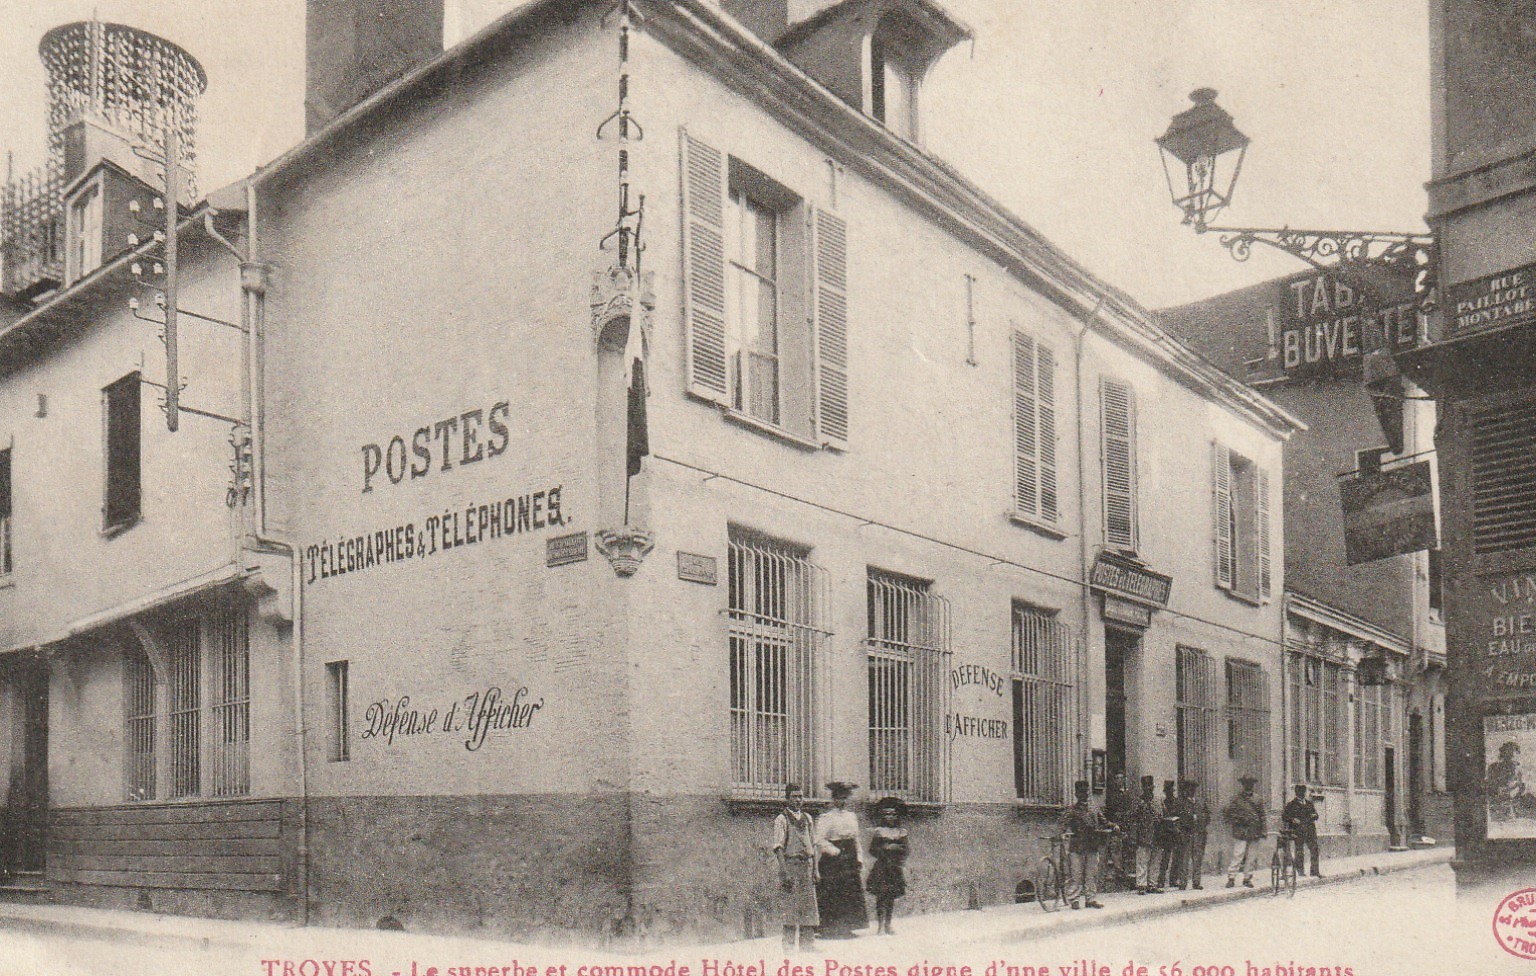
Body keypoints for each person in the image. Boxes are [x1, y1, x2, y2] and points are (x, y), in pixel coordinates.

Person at [815, 781, 868, 938]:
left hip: (849, 857)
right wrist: (835, 852)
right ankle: (829, 929)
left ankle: (847, 927)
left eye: (845, 798)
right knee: (832, 892)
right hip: (832, 860)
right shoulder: (826, 818)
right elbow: (819, 839)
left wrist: (859, 857)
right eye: (839, 798)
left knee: (849, 892)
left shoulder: (852, 817)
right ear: (833, 799)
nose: (842, 801)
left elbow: (856, 839)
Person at [770, 783, 819, 952]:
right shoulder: (781, 819)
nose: (798, 800)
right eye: (794, 797)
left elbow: (813, 845)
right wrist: (785, 872)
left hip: (807, 866)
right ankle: (789, 946)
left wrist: (815, 869)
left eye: (800, 797)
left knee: (808, 906)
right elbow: (778, 848)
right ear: (787, 799)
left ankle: (807, 945)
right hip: (791, 866)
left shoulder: (808, 818)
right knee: (790, 907)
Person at [1059, 779, 1113, 909]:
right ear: (1076, 794)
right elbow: (1062, 825)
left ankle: (1090, 899)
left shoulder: (1094, 808)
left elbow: (1104, 821)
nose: (1084, 794)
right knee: (1076, 874)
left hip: (1092, 845)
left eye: (1086, 792)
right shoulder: (1071, 810)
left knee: (1091, 874)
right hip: (1077, 846)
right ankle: (1074, 899)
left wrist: (1113, 826)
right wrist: (1061, 834)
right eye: (1081, 792)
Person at [865, 796, 908, 935]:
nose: (890, 817)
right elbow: (872, 850)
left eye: (893, 814)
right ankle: (880, 926)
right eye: (887, 814)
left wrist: (896, 849)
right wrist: (885, 849)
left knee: (891, 897)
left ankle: (888, 925)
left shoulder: (901, 832)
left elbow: (906, 850)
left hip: (894, 868)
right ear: (883, 816)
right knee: (881, 896)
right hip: (882, 868)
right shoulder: (879, 832)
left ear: (897, 816)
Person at [1223, 775, 1266, 888]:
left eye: (1250, 784)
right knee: (1238, 854)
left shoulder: (1258, 799)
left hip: (1254, 830)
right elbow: (1228, 814)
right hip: (1241, 831)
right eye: (1246, 783)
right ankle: (1231, 878)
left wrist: (1263, 830)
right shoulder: (1236, 799)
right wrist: (1238, 820)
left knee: (1252, 856)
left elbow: (1262, 816)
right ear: (1243, 785)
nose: (1248, 786)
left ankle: (1247, 878)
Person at [1282, 784, 1322, 878]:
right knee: (1299, 851)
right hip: (1298, 831)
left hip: (1310, 831)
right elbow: (1284, 816)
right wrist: (1292, 819)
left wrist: (1314, 815)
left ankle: (1314, 871)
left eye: (1303, 791)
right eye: (1300, 791)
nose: (1302, 793)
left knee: (1314, 850)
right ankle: (1300, 871)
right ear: (1296, 793)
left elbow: (1316, 815)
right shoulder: (1291, 804)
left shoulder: (1309, 804)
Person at [1132, 775, 1162, 894]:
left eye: (1150, 786)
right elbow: (1133, 819)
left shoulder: (1158, 801)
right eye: (1146, 786)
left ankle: (1152, 884)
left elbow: (1163, 814)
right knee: (1142, 861)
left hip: (1157, 834)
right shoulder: (1138, 802)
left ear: (1153, 787)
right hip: (1143, 835)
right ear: (1143, 788)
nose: (1148, 788)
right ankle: (1141, 885)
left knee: (1155, 860)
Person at [1102, 773, 1134, 885]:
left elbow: (1130, 810)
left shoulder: (1127, 794)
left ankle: (1125, 872)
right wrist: (1114, 824)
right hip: (1116, 827)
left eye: (1121, 779)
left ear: (1124, 780)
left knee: (1126, 850)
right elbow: (1109, 812)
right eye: (1117, 779)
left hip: (1126, 826)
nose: (1119, 781)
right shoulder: (1111, 796)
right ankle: (1119, 873)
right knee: (1116, 850)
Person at [1180, 779, 1210, 890]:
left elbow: (1208, 816)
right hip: (1187, 834)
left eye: (1193, 788)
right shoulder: (1181, 803)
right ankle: (1183, 883)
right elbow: (1179, 819)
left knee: (1197, 859)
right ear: (1185, 790)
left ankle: (1196, 882)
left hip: (1199, 834)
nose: (1191, 791)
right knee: (1184, 859)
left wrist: (1202, 825)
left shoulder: (1201, 802)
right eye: (1189, 788)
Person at [1156, 779, 1185, 890]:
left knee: (1176, 857)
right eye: (1167, 790)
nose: (1169, 792)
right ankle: (1161, 880)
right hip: (1167, 833)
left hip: (1176, 832)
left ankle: (1173, 879)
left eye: (1170, 790)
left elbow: (1181, 816)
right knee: (1165, 858)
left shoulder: (1177, 802)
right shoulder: (1162, 803)